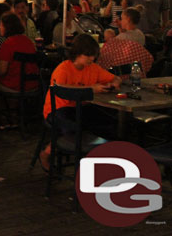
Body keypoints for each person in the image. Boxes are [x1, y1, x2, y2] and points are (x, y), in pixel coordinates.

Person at [39, 34, 122, 171]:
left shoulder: (93, 68)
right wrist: (90, 88)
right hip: (58, 109)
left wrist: (114, 84)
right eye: (88, 55)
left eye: (93, 55)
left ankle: (106, 161)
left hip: (82, 107)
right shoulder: (63, 68)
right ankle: (47, 153)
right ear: (77, 53)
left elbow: (115, 78)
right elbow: (61, 88)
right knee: (74, 127)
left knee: (110, 123)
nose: (92, 58)